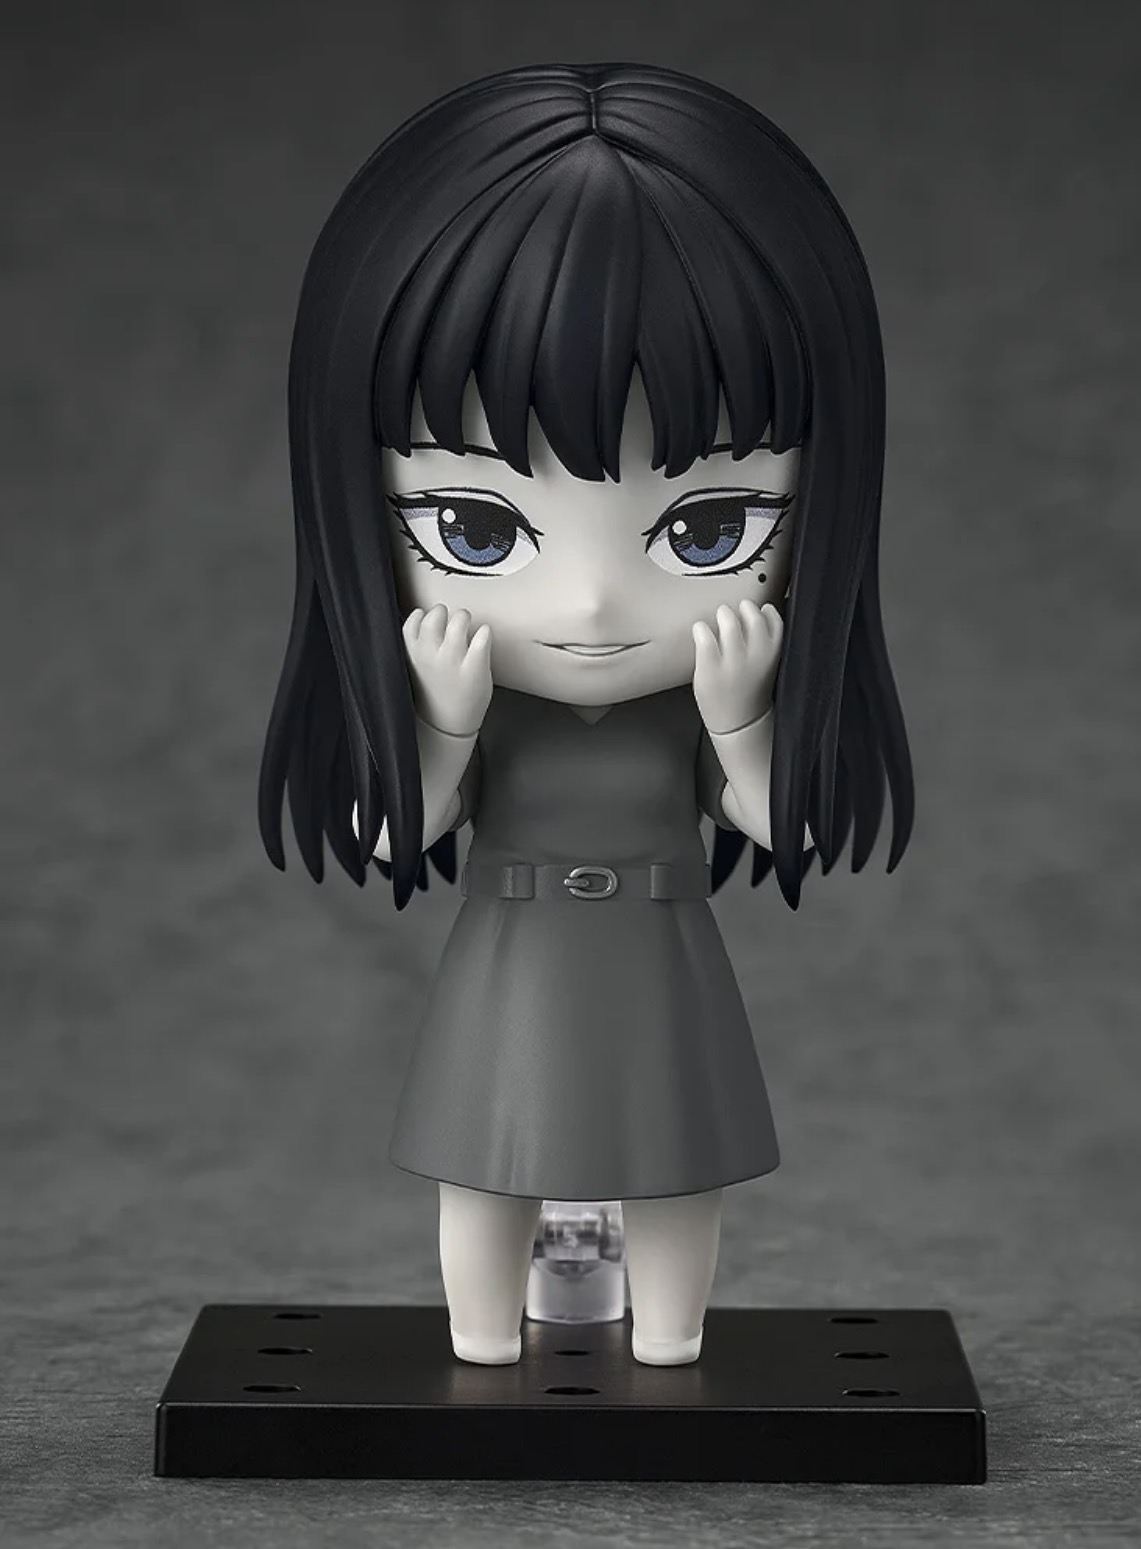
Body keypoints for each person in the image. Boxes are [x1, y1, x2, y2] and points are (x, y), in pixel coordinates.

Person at [258, 62, 914, 1367]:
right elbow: (394, 838)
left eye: (709, 528)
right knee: (485, 1160)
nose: (594, 600)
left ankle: (671, 1340)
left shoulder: (691, 710)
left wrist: (741, 723)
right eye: (474, 526)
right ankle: (480, 1340)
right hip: (510, 951)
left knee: (676, 1162)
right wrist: (444, 727)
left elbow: (780, 825)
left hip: (665, 948)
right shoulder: (484, 705)